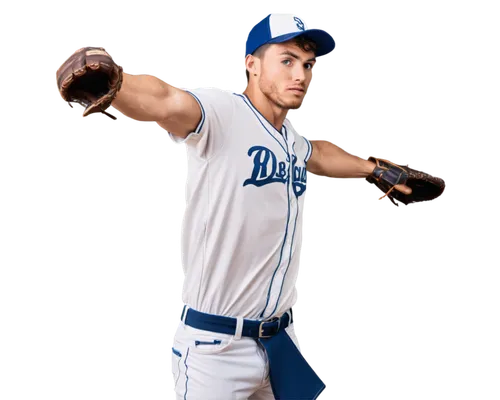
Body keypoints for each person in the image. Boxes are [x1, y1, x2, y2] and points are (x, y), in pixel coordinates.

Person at [108, 10, 411, 400]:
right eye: (286, 61)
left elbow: (317, 155)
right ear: (250, 64)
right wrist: (115, 81)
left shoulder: (291, 139)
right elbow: (168, 102)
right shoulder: (223, 113)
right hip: (214, 351)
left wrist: (374, 171)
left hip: (276, 345)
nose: (300, 76)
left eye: (307, 64)